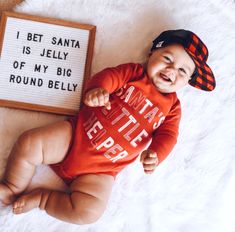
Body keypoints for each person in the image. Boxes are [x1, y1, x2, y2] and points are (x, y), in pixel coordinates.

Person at [0, 29, 215, 224]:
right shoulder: (133, 73)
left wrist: (157, 154)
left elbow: (169, 134)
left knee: (89, 212)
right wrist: (99, 89)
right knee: (29, 142)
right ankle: (12, 186)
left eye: (183, 71)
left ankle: (44, 199)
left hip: (102, 170)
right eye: (167, 58)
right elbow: (110, 76)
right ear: (152, 54)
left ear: (188, 82)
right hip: (76, 136)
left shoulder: (173, 107)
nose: (172, 69)